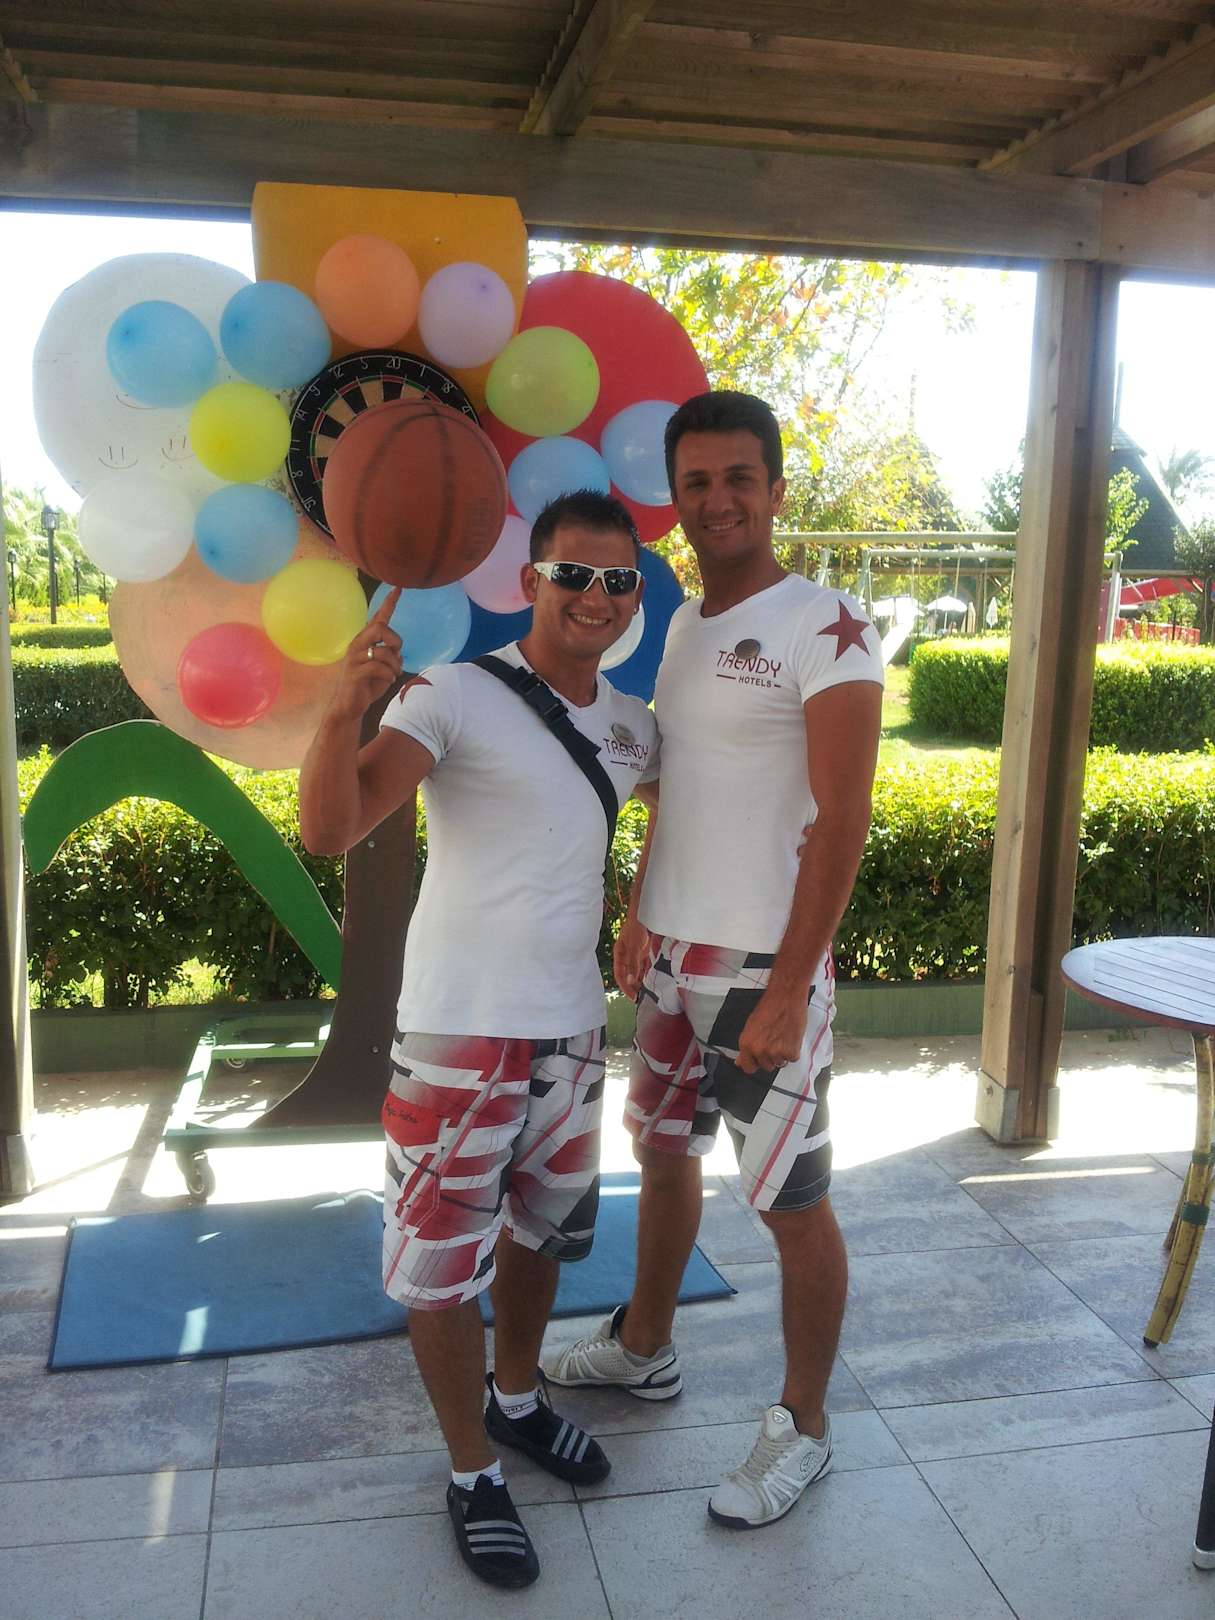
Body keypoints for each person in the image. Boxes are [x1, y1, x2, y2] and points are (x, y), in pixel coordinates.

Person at [298, 489, 659, 1589]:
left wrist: (641, 906)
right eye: (573, 575)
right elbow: (330, 827)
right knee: (441, 1268)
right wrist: (338, 712)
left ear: (632, 596)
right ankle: (471, 1471)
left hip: (572, 1030)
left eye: (617, 580)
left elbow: (673, 808)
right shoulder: (452, 692)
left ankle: (517, 1400)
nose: (595, 597)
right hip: (457, 1032)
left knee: (541, 1239)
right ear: (531, 581)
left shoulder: (635, 726)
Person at [544, 391, 884, 1530]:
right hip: (673, 955)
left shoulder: (828, 624)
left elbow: (843, 819)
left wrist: (789, 987)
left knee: (790, 1200)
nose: (718, 499)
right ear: (675, 499)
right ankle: (645, 1346)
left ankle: (805, 1426)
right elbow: (677, 786)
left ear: (775, 490)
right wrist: (641, 907)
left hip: (759, 967)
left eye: (740, 478)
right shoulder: (684, 625)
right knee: (661, 1151)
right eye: (696, 482)